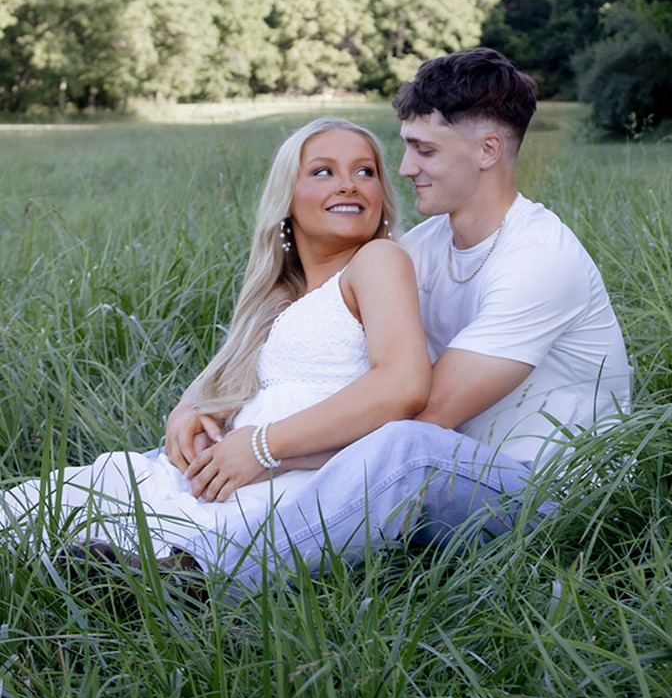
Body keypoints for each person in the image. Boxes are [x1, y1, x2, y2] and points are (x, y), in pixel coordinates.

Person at [159, 47, 631, 589]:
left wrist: (270, 452)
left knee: (402, 448)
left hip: (552, 497)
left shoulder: (539, 260)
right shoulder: (425, 245)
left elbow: (425, 417)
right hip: (451, 467)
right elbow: (324, 327)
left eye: (424, 151)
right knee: (358, 444)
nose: (404, 169)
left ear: (488, 150)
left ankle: (211, 577)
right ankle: (146, 533)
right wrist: (193, 405)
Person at [2, 118, 431, 568]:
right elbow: (233, 378)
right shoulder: (283, 296)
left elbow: (402, 384)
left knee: (176, 539)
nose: (349, 185)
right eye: (323, 172)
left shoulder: (378, 261)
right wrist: (187, 409)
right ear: (285, 198)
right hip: (239, 465)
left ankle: (156, 575)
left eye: (366, 172)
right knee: (49, 504)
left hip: (302, 472)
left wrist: (263, 447)